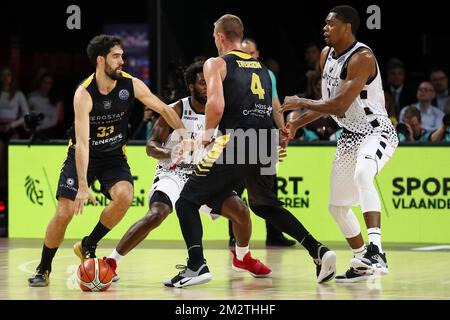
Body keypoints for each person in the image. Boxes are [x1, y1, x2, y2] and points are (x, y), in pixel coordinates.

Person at [165, 14, 336, 288]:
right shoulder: (261, 69)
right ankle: (319, 251)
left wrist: (205, 137)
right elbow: (269, 107)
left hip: (238, 140)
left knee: (186, 201)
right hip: (264, 141)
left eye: (214, 36)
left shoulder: (216, 63)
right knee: (264, 204)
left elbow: (217, 105)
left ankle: (196, 265)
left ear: (220, 37)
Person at [28, 34, 187, 287]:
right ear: (101, 60)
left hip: (113, 155)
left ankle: (89, 244)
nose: (122, 61)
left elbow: (165, 109)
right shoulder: (84, 94)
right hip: (84, 154)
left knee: (124, 196)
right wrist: (82, 184)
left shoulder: (130, 84)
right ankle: (43, 267)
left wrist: (184, 135)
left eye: (122, 55)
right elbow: (81, 143)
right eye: (116, 56)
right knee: (65, 211)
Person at [104, 61, 271, 281]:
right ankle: (112, 262)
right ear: (190, 86)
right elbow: (151, 146)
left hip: (203, 176)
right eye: (202, 83)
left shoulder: (223, 109)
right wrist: (172, 153)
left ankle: (242, 257)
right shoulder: (177, 109)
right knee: (157, 214)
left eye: (210, 83)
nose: (208, 87)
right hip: (173, 174)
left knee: (240, 211)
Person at [280, 5, 398, 282]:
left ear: (347, 27)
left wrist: (299, 102)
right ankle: (361, 261)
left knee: (363, 172)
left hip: (375, 131)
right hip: (349, 136)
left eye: (330, 24)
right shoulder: (326, 55)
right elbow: (328, 105)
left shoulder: (363, 57)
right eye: (324, 23)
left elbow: (340, 104)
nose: (325, 28)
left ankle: (376, 251)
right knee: (337, 207)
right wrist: (296, 123)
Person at [222, 37, 295, 248]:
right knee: (235, 188)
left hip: (263, 136)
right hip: (240, 137)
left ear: (257, 53)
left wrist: (283, 131)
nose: (248, 57)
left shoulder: (266, 73)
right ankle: (234, 236)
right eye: (244, 53)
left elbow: (274, 104)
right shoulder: (232, 70)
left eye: (251, 53)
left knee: (268, 189)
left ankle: (275, 235)